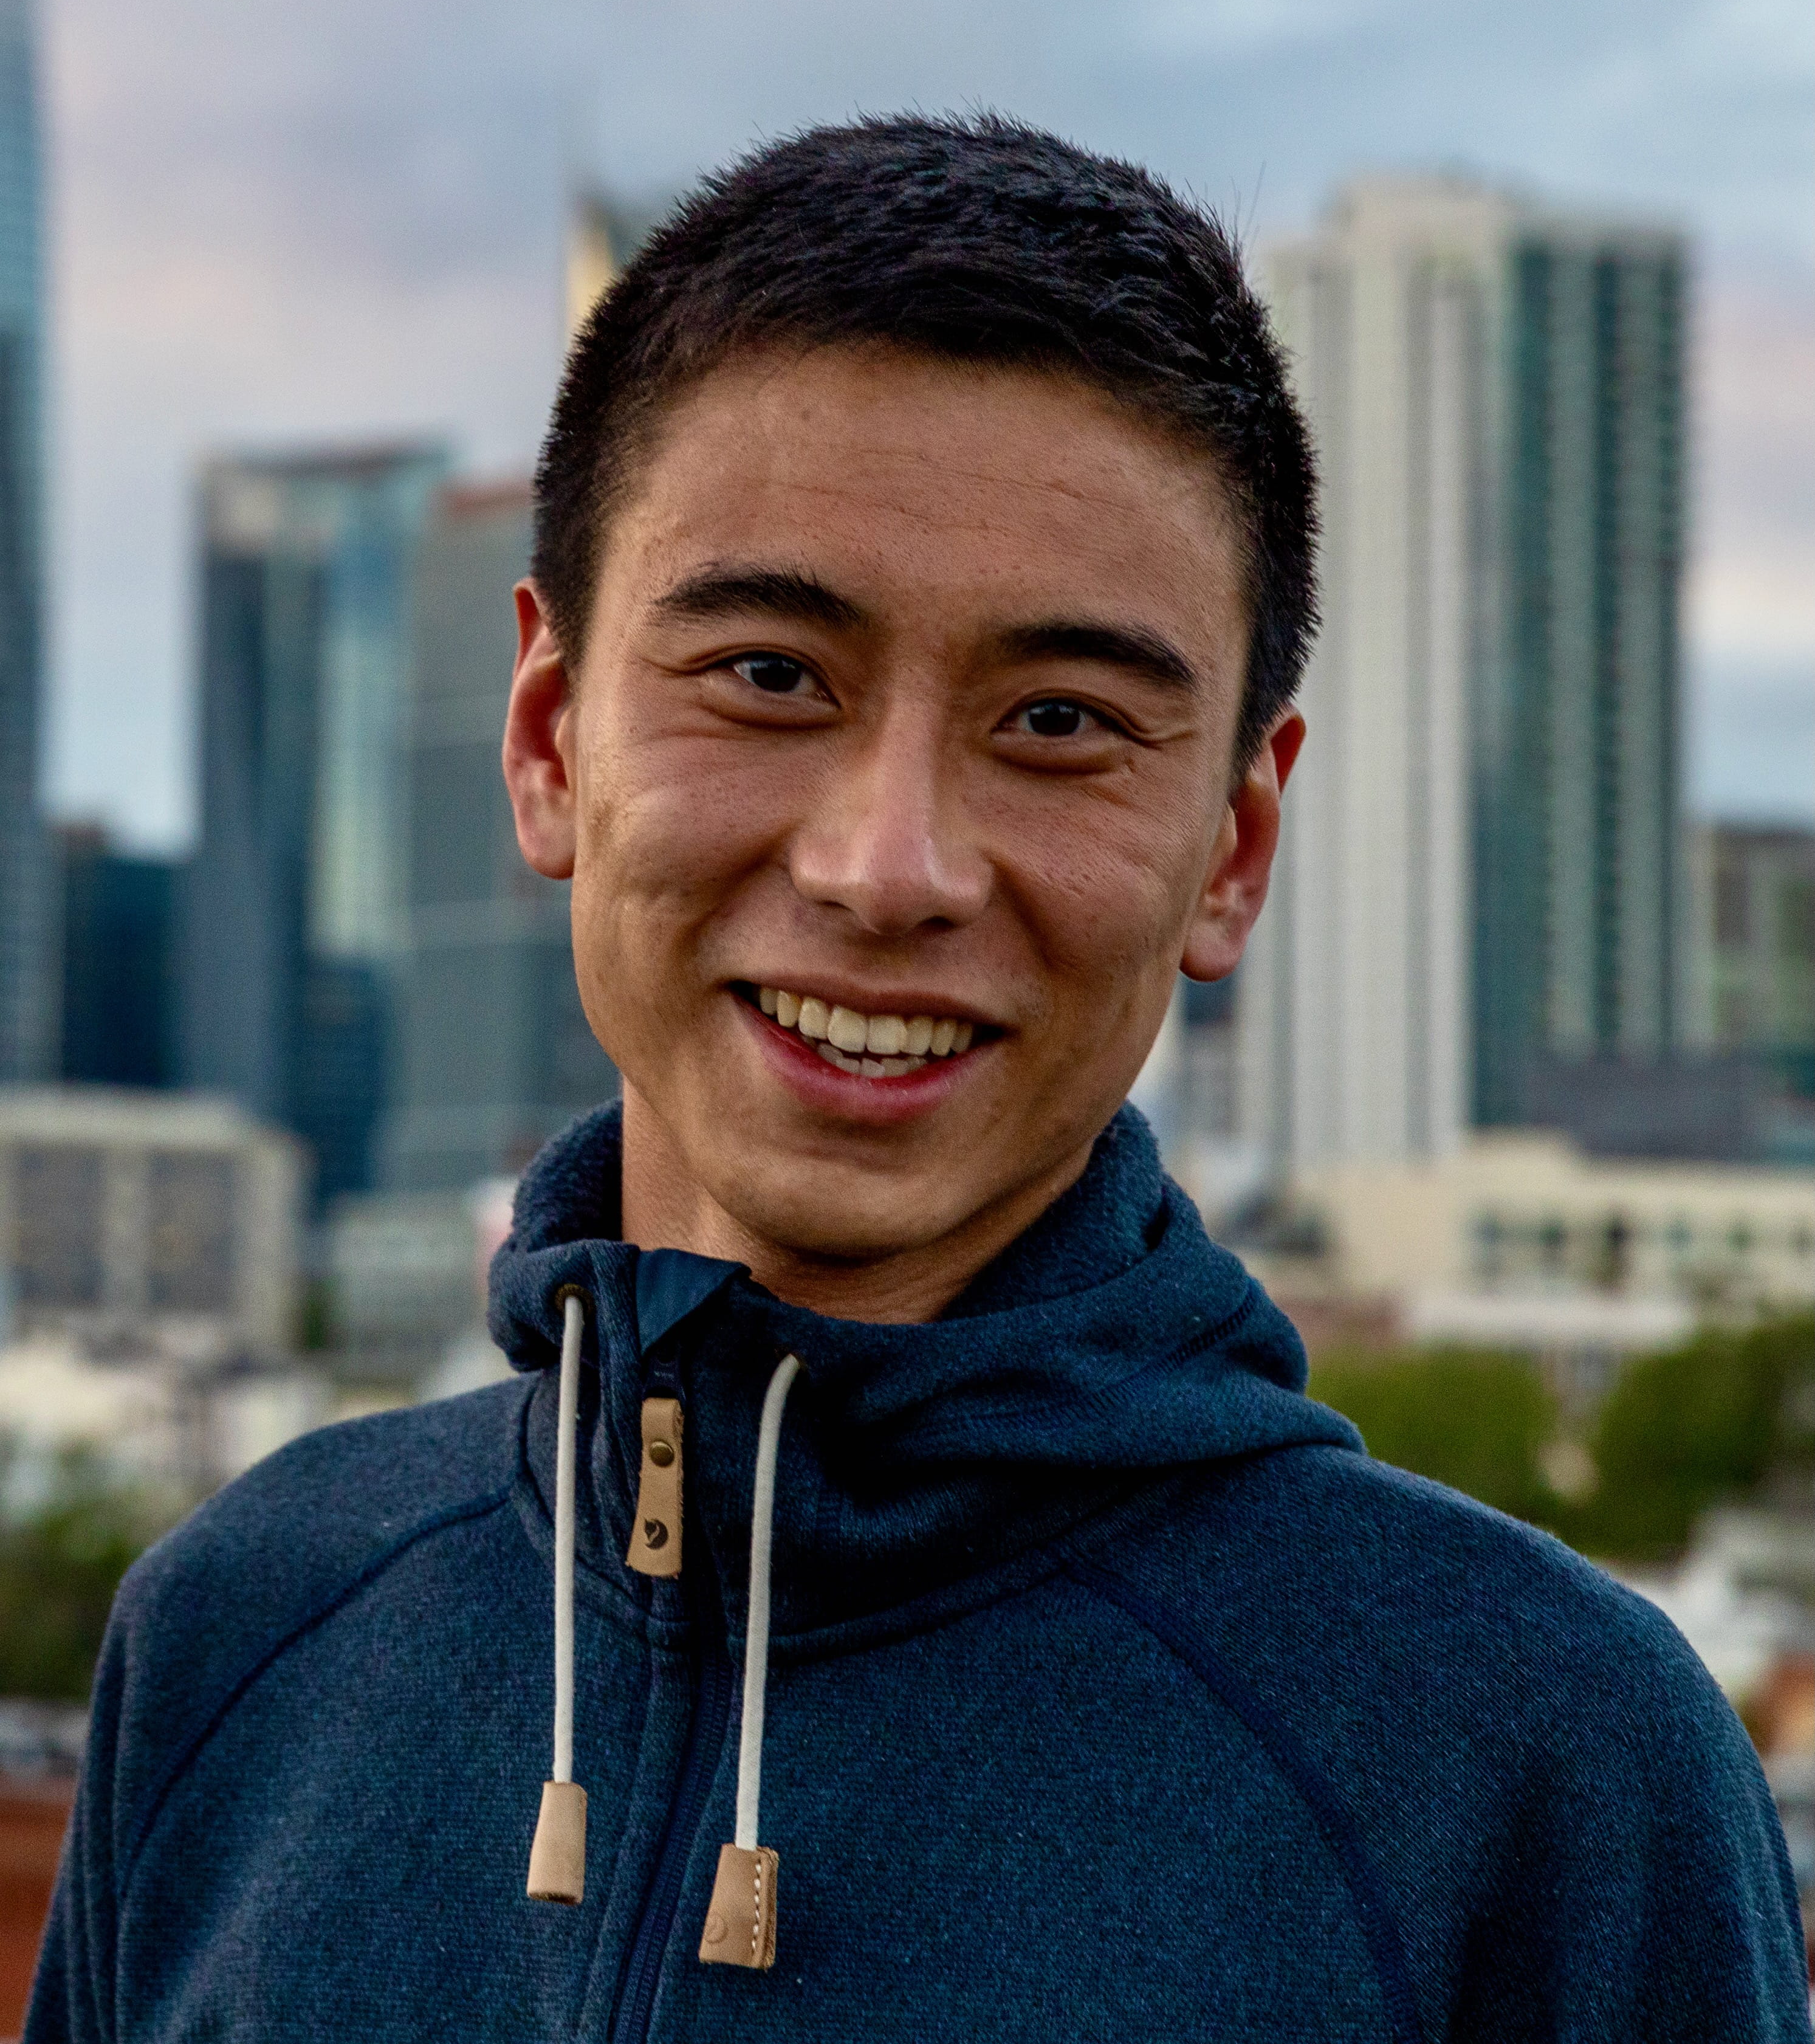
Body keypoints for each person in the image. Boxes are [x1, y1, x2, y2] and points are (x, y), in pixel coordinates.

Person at [29, 115, 1806, 2041]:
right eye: (772, 676)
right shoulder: (245, 1629)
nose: (888, 868)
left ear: (1230, 846)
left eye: (1057, 723)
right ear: (549, 741)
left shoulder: (1532, 1768)